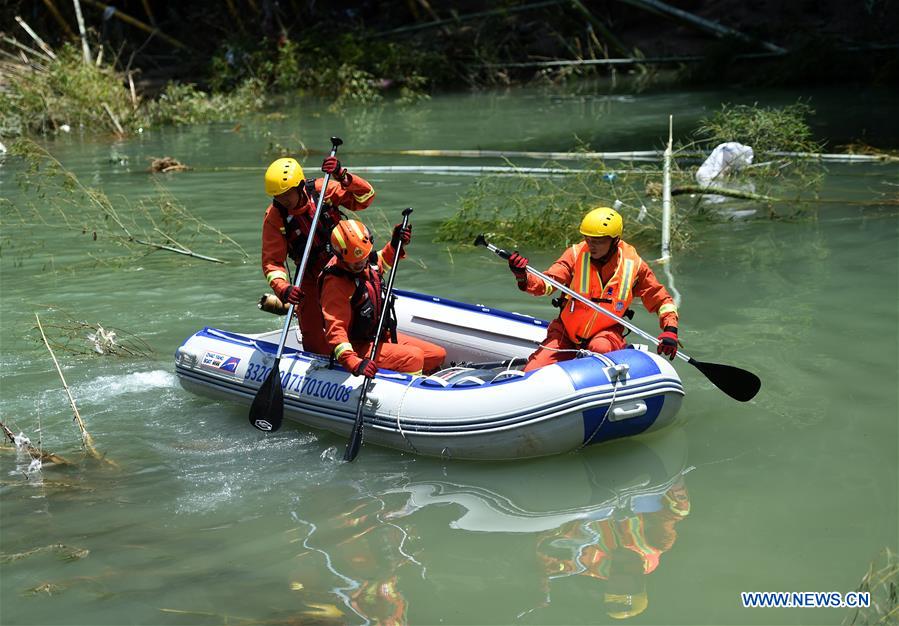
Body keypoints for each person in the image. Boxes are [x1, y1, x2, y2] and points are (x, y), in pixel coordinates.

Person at [507, 207, 680, 372]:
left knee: (600, 347)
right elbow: (547, 283)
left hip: (606, 334)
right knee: (532, 371)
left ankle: (617, 356)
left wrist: (670, 330)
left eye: (597, 241)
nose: (591, 245)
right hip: (566, 332)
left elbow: (661, 300)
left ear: (615, 240)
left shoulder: (634, 265)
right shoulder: (575, 254)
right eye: (588, 240)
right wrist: (523, 276)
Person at [261, 155, 376, 355]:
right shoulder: (275, 216)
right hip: (309, 274)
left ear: (299, 186)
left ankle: (365, 354)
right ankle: (321, 366)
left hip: (345, 265)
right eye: (277, 196)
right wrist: (285, 289)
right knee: (313, 334)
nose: (283, 200)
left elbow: (365, 197)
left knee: (363, 317)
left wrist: (342, 175)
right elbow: (272, 262)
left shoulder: (323, 191)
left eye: (287, 193)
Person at [320, 219, 446, 377]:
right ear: (340, 256)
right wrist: (352, 361)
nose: (359, 264)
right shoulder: (336, 284)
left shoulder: (366, 263)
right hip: (357, 346)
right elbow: (335, 330)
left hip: (378, 335)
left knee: (437, 355)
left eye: (362, 258)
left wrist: (395, 244)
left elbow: (382, 262)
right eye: (354, 262)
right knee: (413, 358)